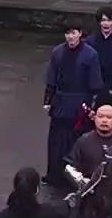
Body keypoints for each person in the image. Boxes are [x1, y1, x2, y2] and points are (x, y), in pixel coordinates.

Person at [43, 21, 103, 187]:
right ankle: (54, 174)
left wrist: (92, 106)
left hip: (80, 102)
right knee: (56, 140)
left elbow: (95, 83)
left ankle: (75, 175)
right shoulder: (58, 52)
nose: (70, 37)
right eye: (68, 33)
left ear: (80, 34)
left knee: (76, 141)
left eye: (73, 33)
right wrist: (48, 99)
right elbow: (51, 78)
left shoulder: (90, 54)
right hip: (61, 101)